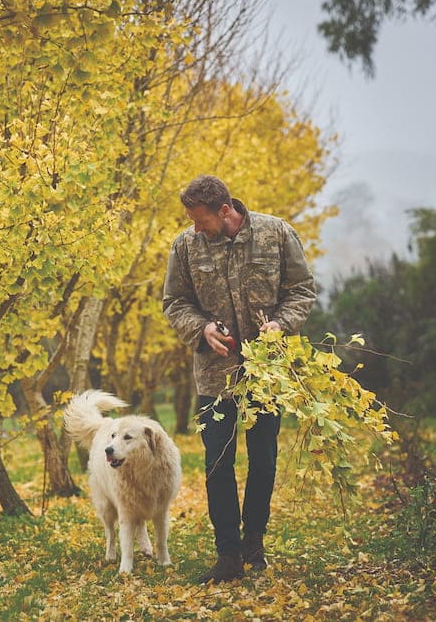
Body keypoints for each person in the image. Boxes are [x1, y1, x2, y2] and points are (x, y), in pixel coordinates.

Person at [162, 174, 315, 584]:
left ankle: (255, 544)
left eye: (201, 220)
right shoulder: (184, 246)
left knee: (263, 462)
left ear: (225, 210)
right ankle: (228, 553)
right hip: (214, 379)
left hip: (266, 375)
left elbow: (302, 290)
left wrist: (281, 324)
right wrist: (201, 330)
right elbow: (175, 301)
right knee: (217, 464)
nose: (196, 228)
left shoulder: (277, 233)